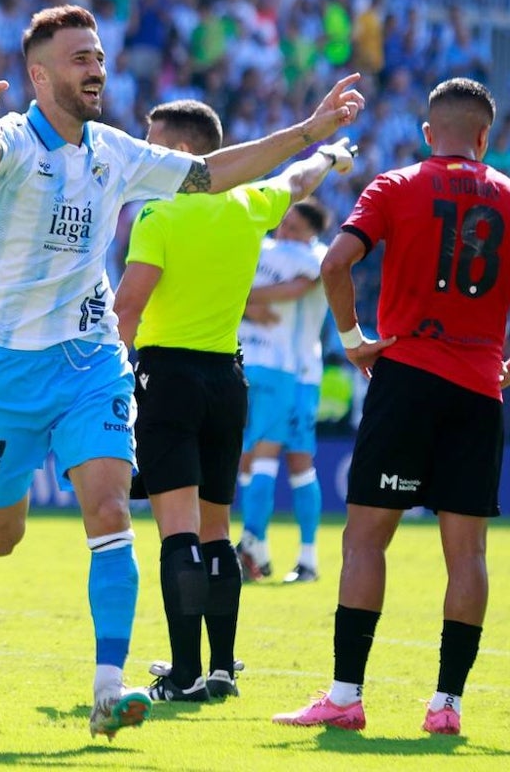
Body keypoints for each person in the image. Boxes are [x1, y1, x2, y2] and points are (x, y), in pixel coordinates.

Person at [0, 3, 364, 742]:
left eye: (99, 56)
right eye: (80, 57)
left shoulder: (114, 150)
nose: (97, 69)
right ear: (38, 73)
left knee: (111, 513)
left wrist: (308, 133)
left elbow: (212, 173)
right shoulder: (10, 139)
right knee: (0, 534)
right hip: (7, 366)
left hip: (91, 359)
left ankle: (109, 689)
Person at [274, 78, 510, 736]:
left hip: (405, 376)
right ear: (486, 139)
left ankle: (346, 697)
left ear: (429, 133)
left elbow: (334, 266)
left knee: (365, 540)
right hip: (478, 388)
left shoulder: (397, 185)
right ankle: (448, 707)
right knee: (468, 556)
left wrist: (353, 343)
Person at [112, 100, 354, 705]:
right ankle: (220, 668)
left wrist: (111, 381)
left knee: (177, 532)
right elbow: (297, 179)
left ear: (188, 152)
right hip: (229, 379)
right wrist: (330, 152)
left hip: (168, 377)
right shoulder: (249, 206)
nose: (147, 153)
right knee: (217, 529)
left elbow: (129, 307)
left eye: (155, 143)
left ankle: (184, 675)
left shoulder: (159, 215)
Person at [235, 199, 333, 584]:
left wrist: (245, 298)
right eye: (283, 225)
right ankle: (256, 549)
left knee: (296, 460)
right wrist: (245, 303)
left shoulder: (315, 257)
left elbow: (298, 289)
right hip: (264, 366)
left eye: (293, 228)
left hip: (300, 372)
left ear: (310, 234)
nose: (284, 233)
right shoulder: (269, 249)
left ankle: (304, 557)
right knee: (250, 456)